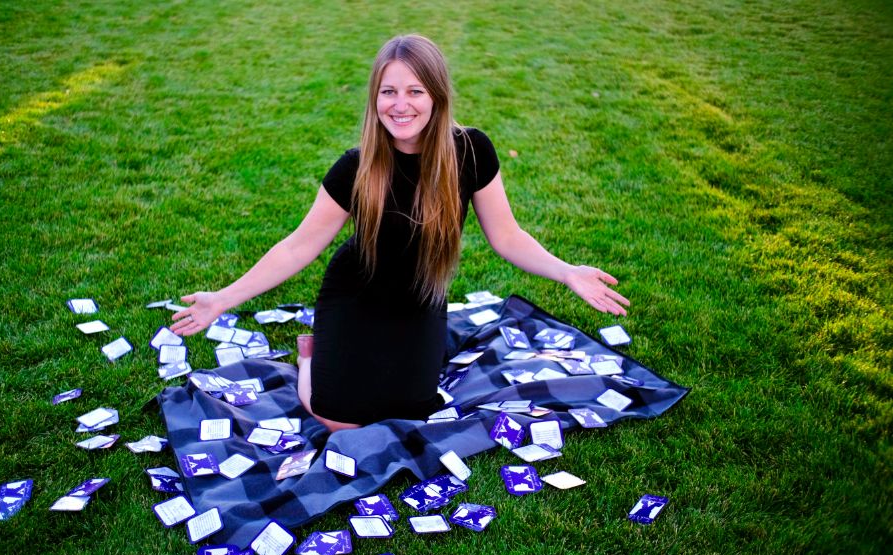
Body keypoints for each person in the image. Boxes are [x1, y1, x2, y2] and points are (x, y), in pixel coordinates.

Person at [170, 35, 629, 432]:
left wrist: (566, 272)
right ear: (375, 98)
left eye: (414, 90)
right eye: (388, 91)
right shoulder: (356, 167)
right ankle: (309, 357)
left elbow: (506, 236)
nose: (400, 104)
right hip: (356, 296)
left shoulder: (472, 152)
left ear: (437, 96)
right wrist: (223, 298)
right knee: (338, 419)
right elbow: (299, 245)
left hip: (421, 299)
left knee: (414, 411)